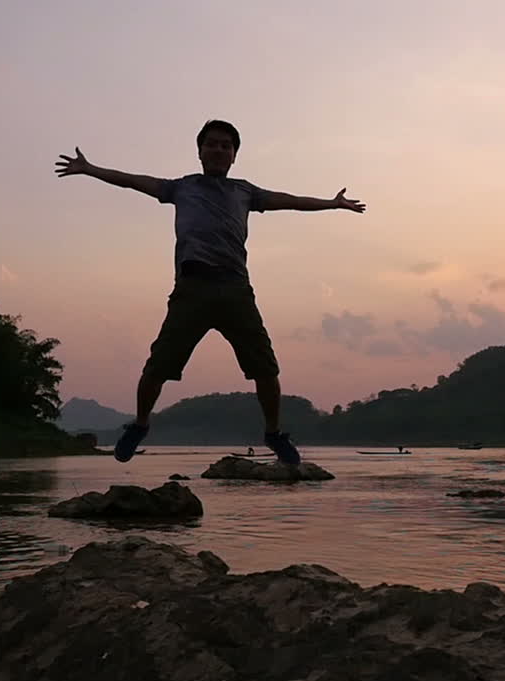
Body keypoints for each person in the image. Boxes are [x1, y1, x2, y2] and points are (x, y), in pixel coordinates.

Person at [55, 119, 365, 464]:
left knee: (266, 369)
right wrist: (90, 169)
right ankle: (140, 425)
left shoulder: (245, 192)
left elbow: (290, 200)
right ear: (200, 151)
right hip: (192, 290)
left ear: (234, 156)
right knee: (157, 367)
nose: (218, 150)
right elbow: (133, 181)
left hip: (235, 289)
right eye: (212, 144)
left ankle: (274, 434)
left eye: (226, 146)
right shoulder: (181, 188)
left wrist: (331, 204)